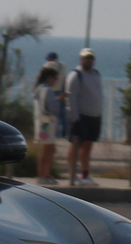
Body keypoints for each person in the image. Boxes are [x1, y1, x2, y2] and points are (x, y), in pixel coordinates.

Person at [65, 48, 108, 186]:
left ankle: (85, 174)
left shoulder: (96, 74)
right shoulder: (76, 75)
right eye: (86, 58)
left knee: (88, 146)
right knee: (76, 145)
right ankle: (72, 174)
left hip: (94, 116)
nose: (88, 60)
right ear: (81, 59)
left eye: (90, 58)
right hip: (80, 116)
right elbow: (71, 98)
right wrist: (74, 117)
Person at [31, 60, 64, 183]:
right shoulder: (47, 89)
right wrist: (57, 103)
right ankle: (43, 175)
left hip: (43, 122)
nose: (55, 80)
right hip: (47, 122)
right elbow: (47, 105)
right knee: (48, 148)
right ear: (49, 78)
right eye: (55, 77)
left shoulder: (38, 88)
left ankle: (44, 174)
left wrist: (56, 99)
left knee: (47, 147)